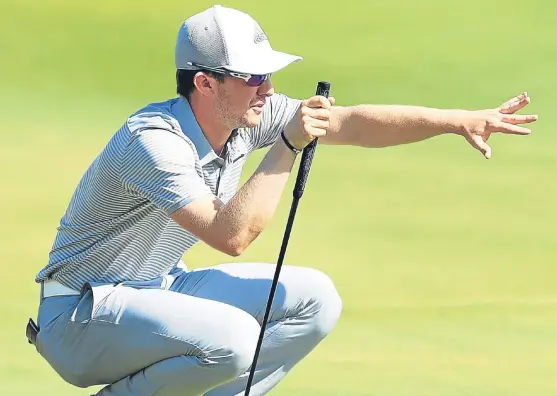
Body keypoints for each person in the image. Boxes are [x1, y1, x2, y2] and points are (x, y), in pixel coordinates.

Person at [27, 4, 538, 396]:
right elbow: (231, 237)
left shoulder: (243, 115)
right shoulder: (154, 140)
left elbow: (353, 122)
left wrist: (457, 121)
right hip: (78, 317)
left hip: (157, 289)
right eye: (252, 77)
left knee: (315, 299)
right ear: (205, 83)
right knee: (231, 338)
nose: (268, 89)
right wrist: (288, 146)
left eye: (267, 76)